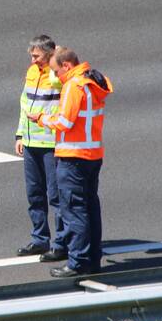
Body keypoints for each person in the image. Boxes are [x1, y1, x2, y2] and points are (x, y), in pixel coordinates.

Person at [29, 47, 113, 278]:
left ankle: (77, 263)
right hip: (92, 155)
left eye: (57, 71)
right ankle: (93, 259)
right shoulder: (93, 81)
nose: (56, 76)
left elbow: (65, 122)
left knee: (74, 211)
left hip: (73, 158)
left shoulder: (73, 86)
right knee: (90, 209)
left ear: (67, 65)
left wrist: (42, 118)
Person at [14, 35, 67, 263]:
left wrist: (58, 58)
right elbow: (24, 104)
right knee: (35, 194)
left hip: (51, 143)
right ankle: (40, 239)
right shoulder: (32, 71)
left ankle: (61, 243)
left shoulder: (57, 75)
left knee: (55, 196)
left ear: (49, 53)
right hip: (30, 143)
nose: (33, 59)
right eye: (32, 56)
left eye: (37, 55)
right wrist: (19, 134)